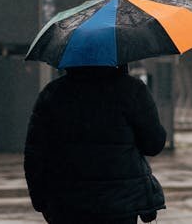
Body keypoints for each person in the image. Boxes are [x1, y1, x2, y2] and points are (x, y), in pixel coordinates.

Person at [25, 64, 166, 224]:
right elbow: (154, 144)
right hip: (120, 205)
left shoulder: (53, 94)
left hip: (66, 205)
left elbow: (34, 155)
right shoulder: (132, 90)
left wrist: (40, 201)